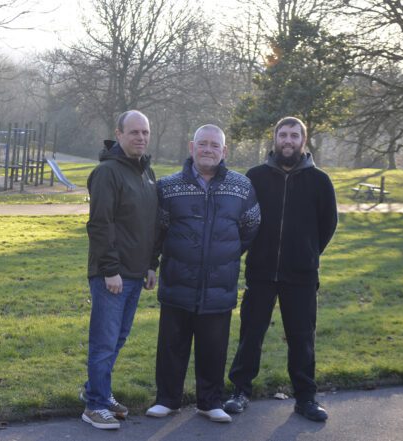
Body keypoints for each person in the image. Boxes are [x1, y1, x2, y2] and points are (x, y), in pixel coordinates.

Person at [224, 116, 338, 422]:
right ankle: (240, 392)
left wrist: (308, 253)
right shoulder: (255, 177)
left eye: (294, 136)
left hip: (301, 275)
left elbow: (328, 224)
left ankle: (306, 398)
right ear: (275, 138)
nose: (288, 141)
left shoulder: (319, 181)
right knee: (251, 334)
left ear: (303, 140)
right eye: (283, 135)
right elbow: (243, 220)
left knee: (302, 338)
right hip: (260, 272)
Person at [145, 124, 260, 423]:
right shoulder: (168, 186)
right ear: (191, 146)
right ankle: (167, 399)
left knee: (214, 347)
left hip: (218, 285)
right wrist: (152, 264)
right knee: (172, 345)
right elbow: (158, 230)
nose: (208, 149)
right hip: (178, 281)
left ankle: (209, 402)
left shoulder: (241, 186)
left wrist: (225, 255)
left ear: (224, 151)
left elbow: (250, 227)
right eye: (202, 143)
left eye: (214, 145)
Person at [81, 110, 158, 430]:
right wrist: (110, 270)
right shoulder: (107, 172)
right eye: (134, 132)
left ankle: (98, 392)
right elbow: (100, 225)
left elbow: (150, 223)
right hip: (111, 274)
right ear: (119, 134)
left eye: (145, 132)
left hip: (136, 272)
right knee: (104, 340)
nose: (140, 137)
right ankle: (94, 406)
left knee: (118, 338)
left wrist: (152, 265)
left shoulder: (145, 172)